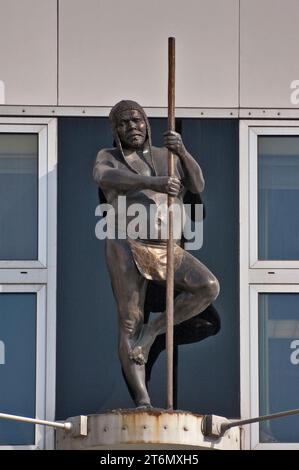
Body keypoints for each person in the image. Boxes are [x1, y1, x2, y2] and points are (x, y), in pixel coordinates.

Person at [93, 100, 220, 408]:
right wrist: (152, 182)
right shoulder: (109, 157)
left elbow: (197, 183)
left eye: (136, 121)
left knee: (208, 287)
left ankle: (153, 332)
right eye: (123, 123)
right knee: (129, 320)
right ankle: (142, 399)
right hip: (127, 244)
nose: (131, 127)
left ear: (147, 124)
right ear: (115, 130)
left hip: (166, 248)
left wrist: (183, 151)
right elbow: (103, 177)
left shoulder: (167, 157)